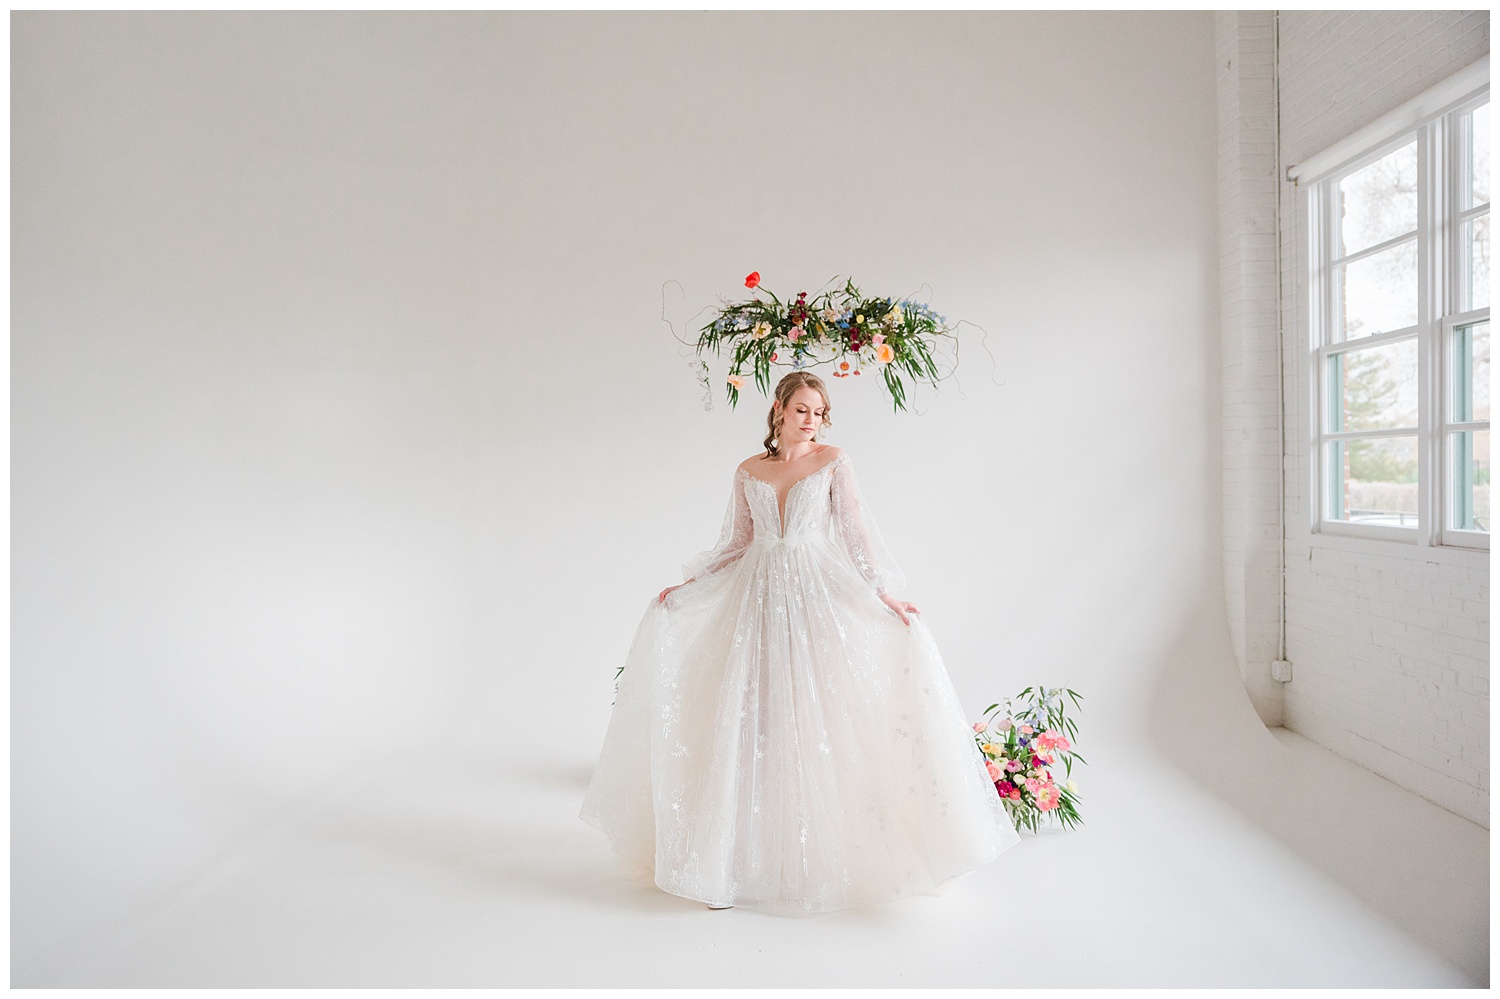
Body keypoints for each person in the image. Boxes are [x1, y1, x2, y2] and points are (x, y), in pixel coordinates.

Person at [579, 371, 1019, 913]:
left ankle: (834, 855)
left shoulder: (833, 461)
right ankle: (727, 862)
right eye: (802, 410)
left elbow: (854, 532)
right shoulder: (748, 470)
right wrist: (691, 585)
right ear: (779, 409)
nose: (811, 420)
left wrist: (882, 595)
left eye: (819, 412)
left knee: (821, 712)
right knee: (748, 718)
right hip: (755, 597)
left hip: (816, 593)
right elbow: (738, 542)